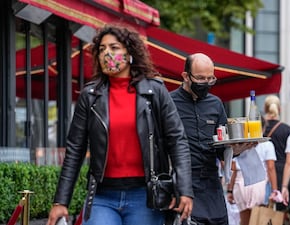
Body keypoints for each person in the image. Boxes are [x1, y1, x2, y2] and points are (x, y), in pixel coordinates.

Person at [46, 25, 193, 225]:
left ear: (130, 52)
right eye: (102, 49)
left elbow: (177, 141)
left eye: (114, 47)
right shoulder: (90, 96)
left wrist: (184, 189)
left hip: (145, 197)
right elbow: (75, 150)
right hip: (102, 196)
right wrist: (60, 201)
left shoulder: (155, 91)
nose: (107, 53)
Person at [170, 53, 251, 225]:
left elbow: (222, 151)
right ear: (185, 76)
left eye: (210, 79)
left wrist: (236, 150)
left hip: (211, 182)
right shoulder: (169, 103)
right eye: (200, 79)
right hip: (181, 181)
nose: (205, 83)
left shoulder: (216, 104)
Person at [226, 141, 278, 225]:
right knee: (260, 221)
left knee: (244, 220)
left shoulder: (238, 143)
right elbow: (270, 168)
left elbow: (233, 169)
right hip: (259, 182)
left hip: (240, 182)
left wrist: (230, 190)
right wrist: (275, 190)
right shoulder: (267, 144)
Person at [262, 95, 290, 224]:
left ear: (265, 109)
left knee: (261, 208)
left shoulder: (259, 128)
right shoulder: (286, 129)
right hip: (281, 171)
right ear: (279, 109)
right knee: (280, 207)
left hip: (261, 171)